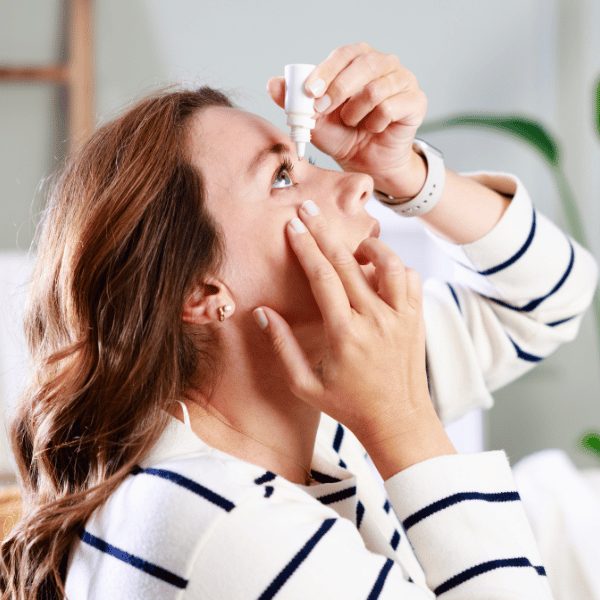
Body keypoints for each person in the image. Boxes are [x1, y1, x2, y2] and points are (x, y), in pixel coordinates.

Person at [0, 43, 596, 599]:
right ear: (202, 291)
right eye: (282, 176)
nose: (359, 185)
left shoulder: (307, 393)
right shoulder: (223, 527)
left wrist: (406, 172)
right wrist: (402, 419)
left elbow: (555, 293)